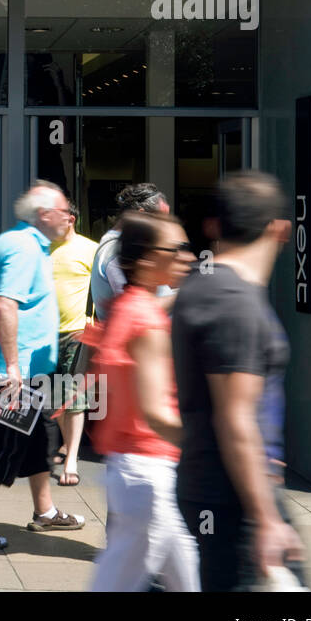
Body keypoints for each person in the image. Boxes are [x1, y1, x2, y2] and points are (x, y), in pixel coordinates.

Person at [173, 171, 305, 591]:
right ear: (280, 230)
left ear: (213, 225)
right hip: (237, 500)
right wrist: (267, 519)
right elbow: (236, 419)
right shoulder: (234, 301)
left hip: (210, 486)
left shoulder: (199, 286)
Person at [0, 181, 87, 551]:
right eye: (62, 211)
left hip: (25, 369)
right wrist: (12, 369)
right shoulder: (24, 247)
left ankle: (45, 511)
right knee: (1, 449)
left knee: (41, 440)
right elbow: (5, 304)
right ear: (44, 214)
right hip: (17, 373)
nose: (68, 217)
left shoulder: (22, 243)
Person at [89, 212, 199, 591]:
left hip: (136, 471)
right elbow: (154, 412)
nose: (188, 257)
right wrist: (210, 444)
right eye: (178, 249)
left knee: (181, 572)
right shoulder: (146, 321)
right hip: (146, 473)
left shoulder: (130, 308)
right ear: (150, 259)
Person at [49, 200, 99, 486]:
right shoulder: (43, 249)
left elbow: (102, 286)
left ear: (70, 218)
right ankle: (68, 445)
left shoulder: (89, 248)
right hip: (46, 334)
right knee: (54, 400)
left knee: (75, 398)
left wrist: (94, 320)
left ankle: (71, 460)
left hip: (78, 332)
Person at [90, 183, 170, 321]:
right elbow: (138, 310)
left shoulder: (121, 245)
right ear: (141, 215)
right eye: (160, 220)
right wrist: (181, 297)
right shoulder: (115, 250)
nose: (164, 227)